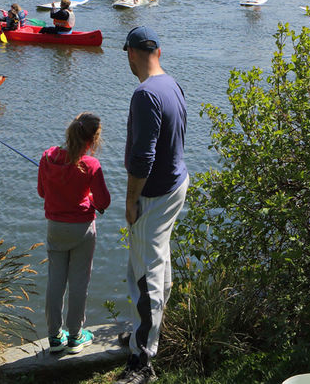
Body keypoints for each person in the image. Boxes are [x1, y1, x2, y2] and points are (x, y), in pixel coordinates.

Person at [117, 26, 188, 384]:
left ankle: (141, 360)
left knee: (145, 276)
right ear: (158, 50)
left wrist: (132, 200)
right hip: (177, 183)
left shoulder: (144, 94)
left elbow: (142, 157)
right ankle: (144, 332)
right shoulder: (172, 84)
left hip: (155, 194)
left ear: (132, 53)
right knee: (159, 264)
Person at [37, 112, 110, 355]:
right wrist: (88, 198)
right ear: (93, 140)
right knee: (79, 283)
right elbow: (103, 201)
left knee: (55, 282)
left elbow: (42, 192)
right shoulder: (91, 165)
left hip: (55, 228)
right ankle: (76, 337)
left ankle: (55, 337)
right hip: (82, 230)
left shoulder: (47, 157)